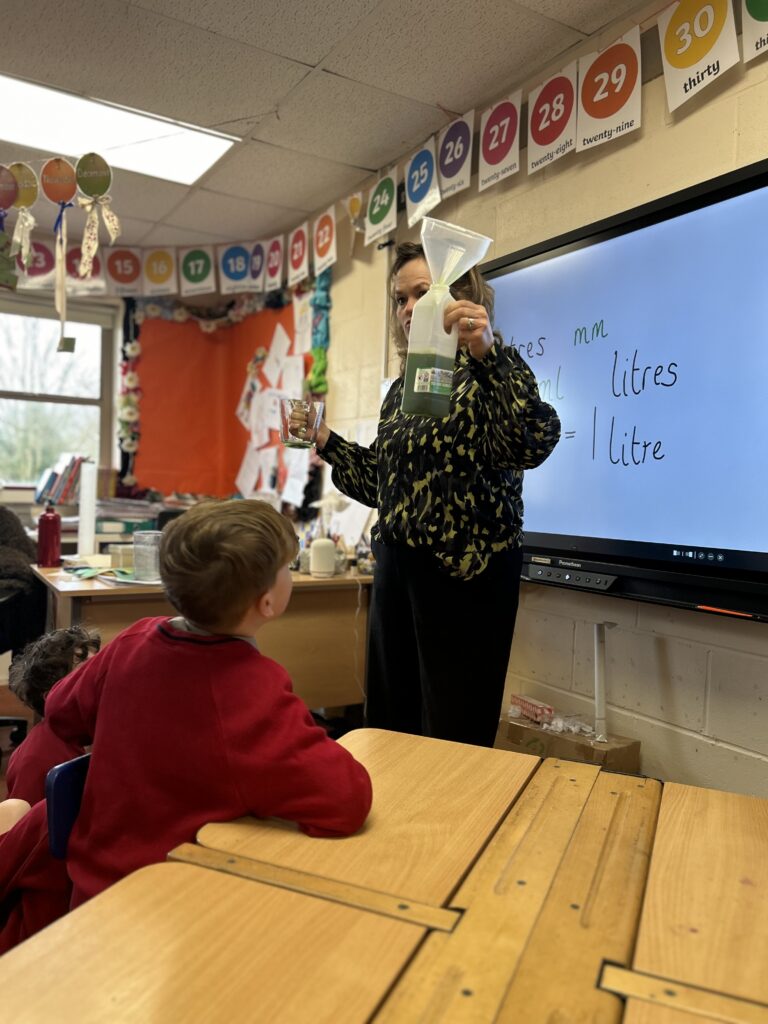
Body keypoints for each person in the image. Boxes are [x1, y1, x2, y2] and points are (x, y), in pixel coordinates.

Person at [45, 499, 372, 908]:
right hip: (177, 905)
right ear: (266, 602)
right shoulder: (250, 691)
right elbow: (346, 800)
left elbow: (60, 710)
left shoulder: (133, 640)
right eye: (287, 567)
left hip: (92, 888)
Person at [299, 241, 561, 748]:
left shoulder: (491, 372)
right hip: (399, 571)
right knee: (390, 724)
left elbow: (533, 440)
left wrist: (485, 350)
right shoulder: (404, 388)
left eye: (422, 292)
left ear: (460, 296)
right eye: (400, 299)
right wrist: (325, 440)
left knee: (451, 731)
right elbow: (385, 482)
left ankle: (452, 829)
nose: (408, 309)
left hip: (465, 575)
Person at [6, 625, 101, 805]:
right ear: (54, 695)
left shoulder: (85, 736)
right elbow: (20, 826)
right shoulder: (37, 758)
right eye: (86, 674)